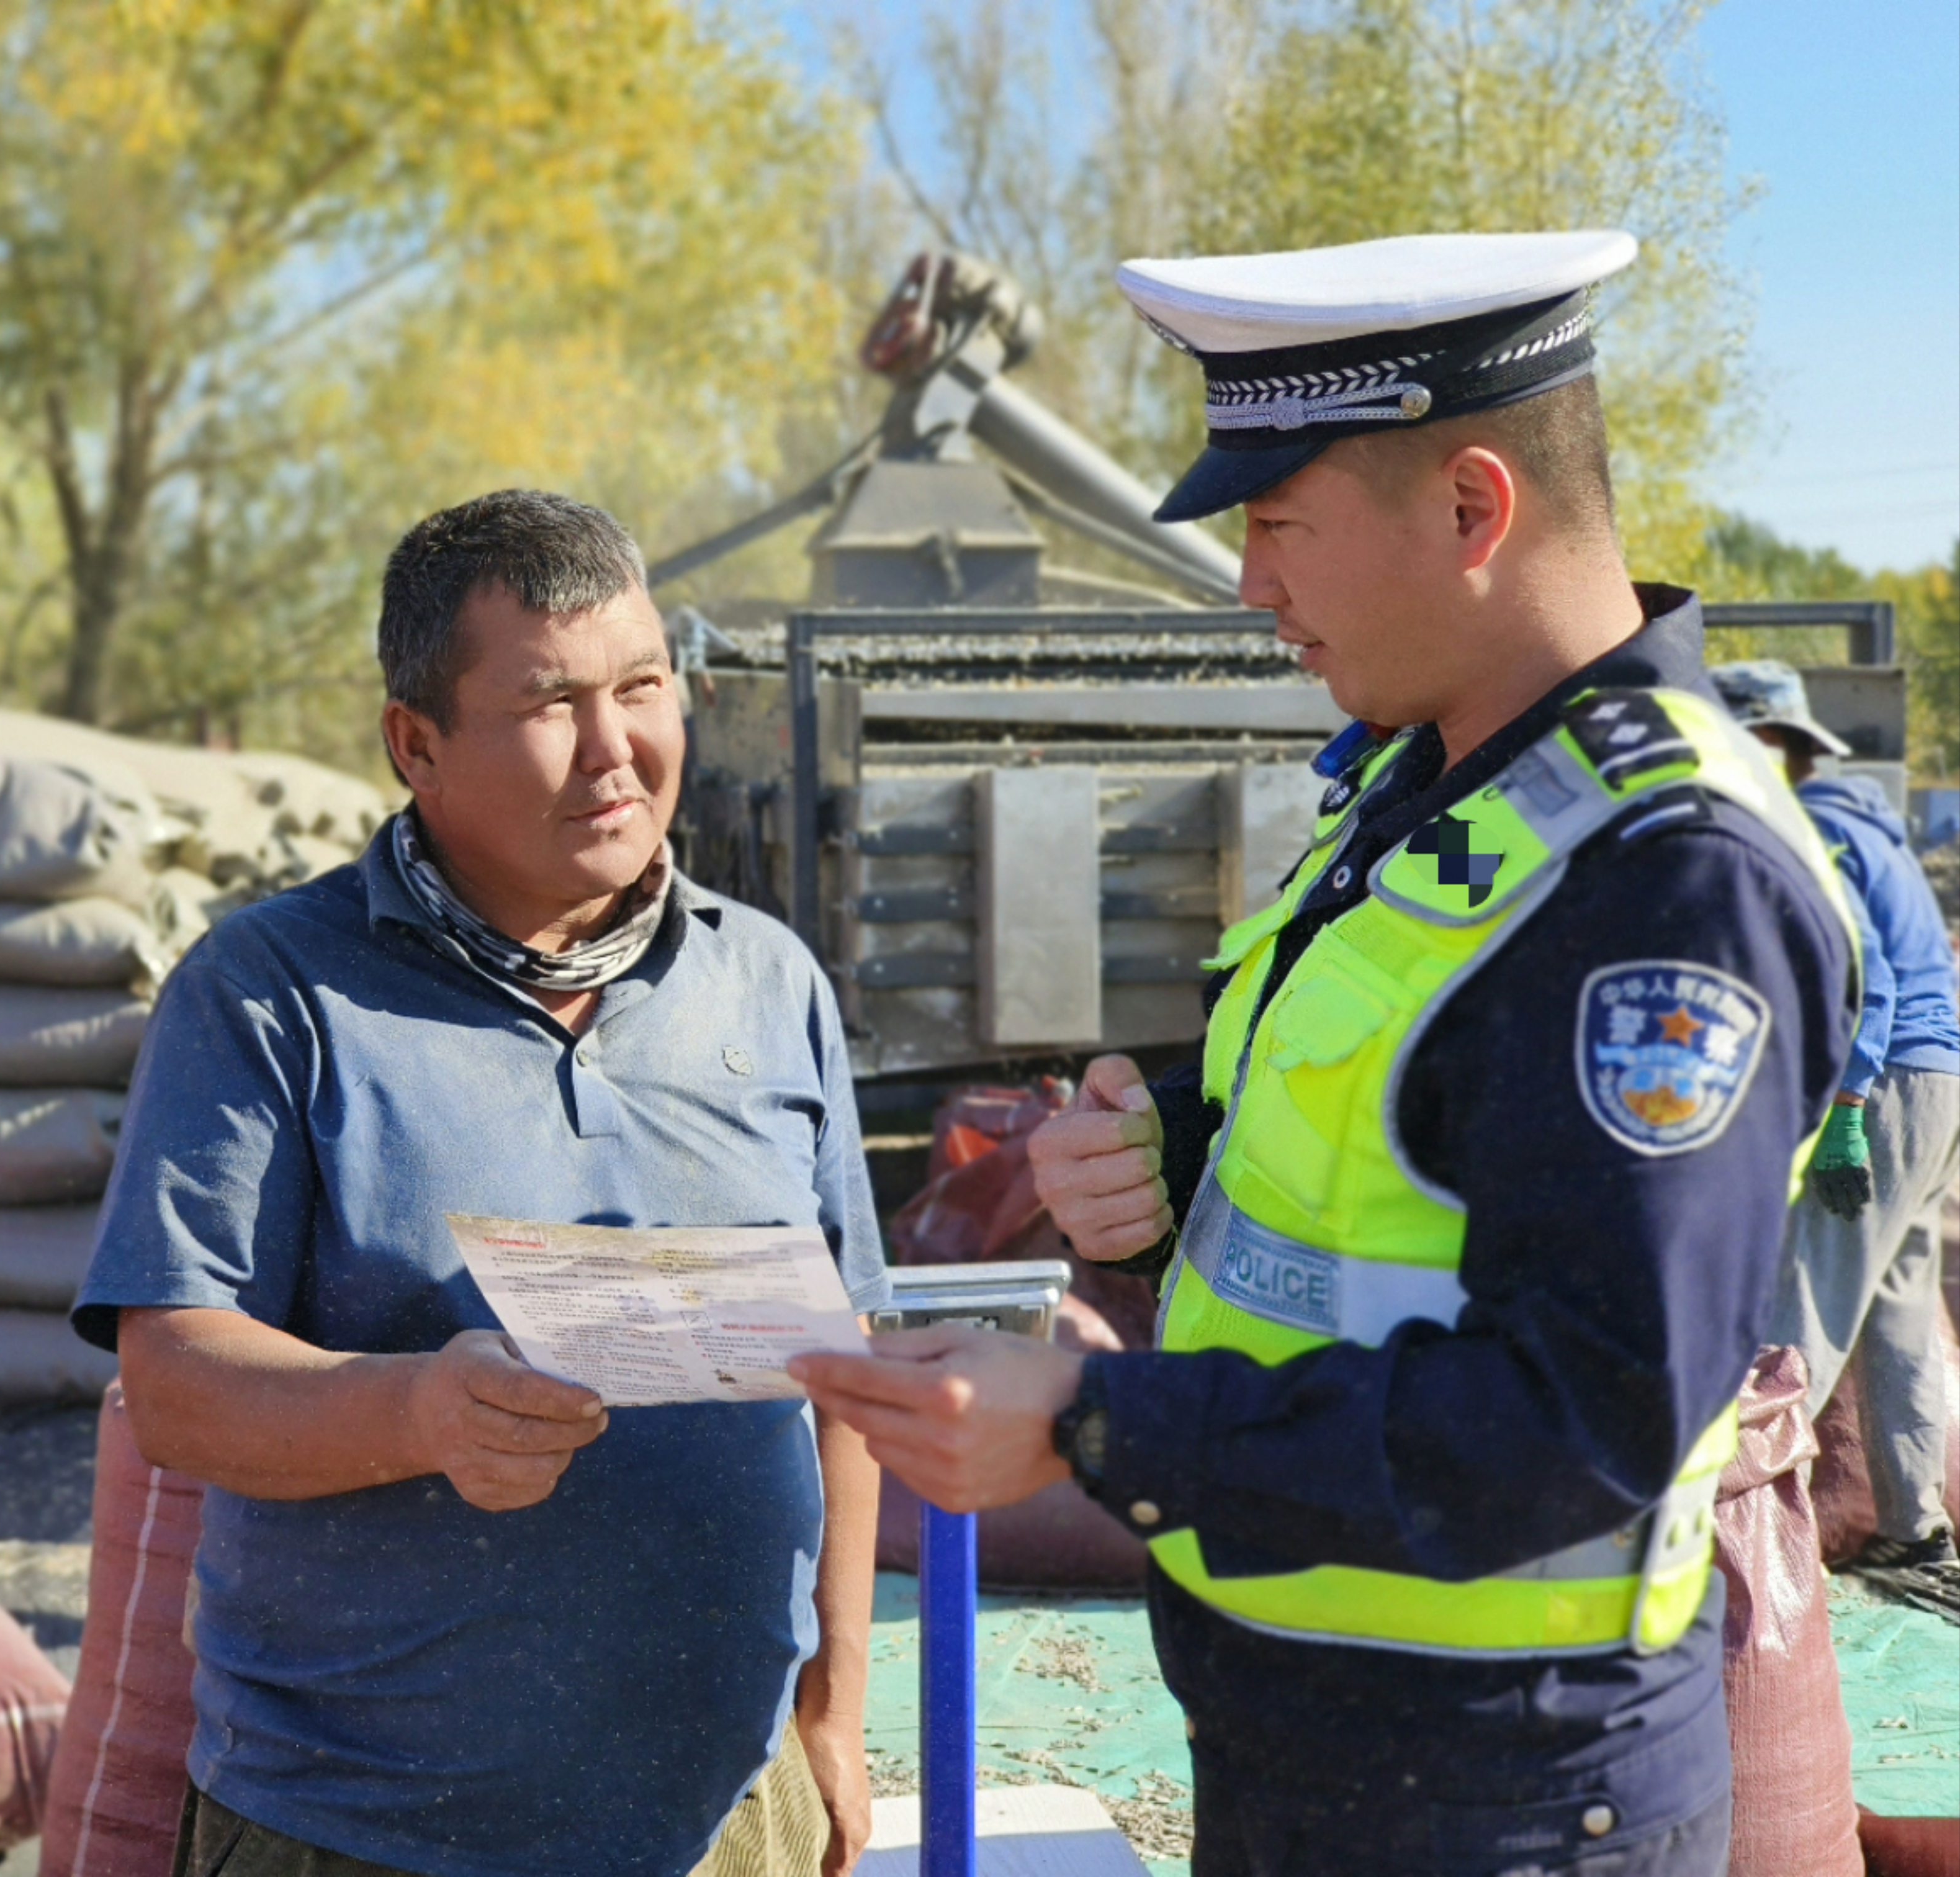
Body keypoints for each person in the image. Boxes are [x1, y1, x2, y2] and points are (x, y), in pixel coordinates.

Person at [791, 230, 1859, 1877]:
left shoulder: (1664, 887)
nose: (1249, 584)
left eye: (1278, 523)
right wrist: (1158, 1147)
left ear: (1471, 510)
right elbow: (1387, 1146)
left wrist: (1091, 1423)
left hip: (1500, 1798)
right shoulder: (1437, 790)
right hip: (1336, 1755)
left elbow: (1583, 1417)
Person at [73, 489, 887, 1877]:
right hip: (360, 1830)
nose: (616, 750)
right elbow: (177, 1384)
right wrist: (417, 1411)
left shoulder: (765, 979)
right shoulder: (272, 994)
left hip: (730, 1822)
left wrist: (835, 1715)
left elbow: (841, 1364)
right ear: (416, 744)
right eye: (548, 704)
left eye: (642, 688)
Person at [1711, 658, 1960, 1588]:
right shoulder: (1862, 821)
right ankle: (1914, 1533)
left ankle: (1745, 1550)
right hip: (1935, 1082)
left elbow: (1868, 980)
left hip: (1884, 1083)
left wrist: (1847, 1108)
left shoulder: (1806, 827)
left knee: (1801, 1312)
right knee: (1894, 1312)